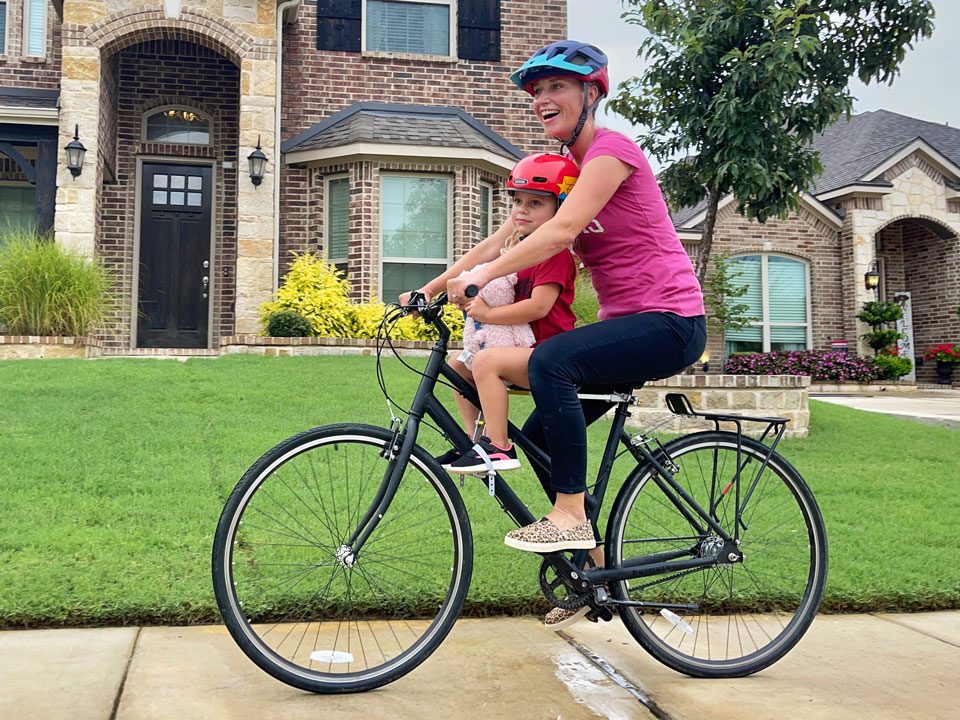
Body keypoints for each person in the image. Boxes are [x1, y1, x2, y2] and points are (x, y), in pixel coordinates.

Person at [445, 40, 707, 630]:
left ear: (591, 93)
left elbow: (561, 231)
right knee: (541, 437)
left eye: (556, 86)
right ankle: (595, 574)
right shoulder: (564, 170)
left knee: (551, 361)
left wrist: (483, 279)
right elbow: (505, 238)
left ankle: (568, 514)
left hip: (671, 320)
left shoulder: (611, 153)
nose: (542, 98)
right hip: (627, 326)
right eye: (537, 90)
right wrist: (437, 286)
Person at [410, 153, 579, 473]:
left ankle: (499, 446)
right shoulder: (518, 249)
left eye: (535, 203)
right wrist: (429, 291)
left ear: (561, 208)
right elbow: (480, 259)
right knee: (459, 363)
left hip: (550, 354)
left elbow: (539, 307)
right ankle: (473, 441)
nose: (522, 210)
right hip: (522, 348)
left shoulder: (554, 255)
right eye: (517, 202)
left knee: (485, 361)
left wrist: (486, 314)